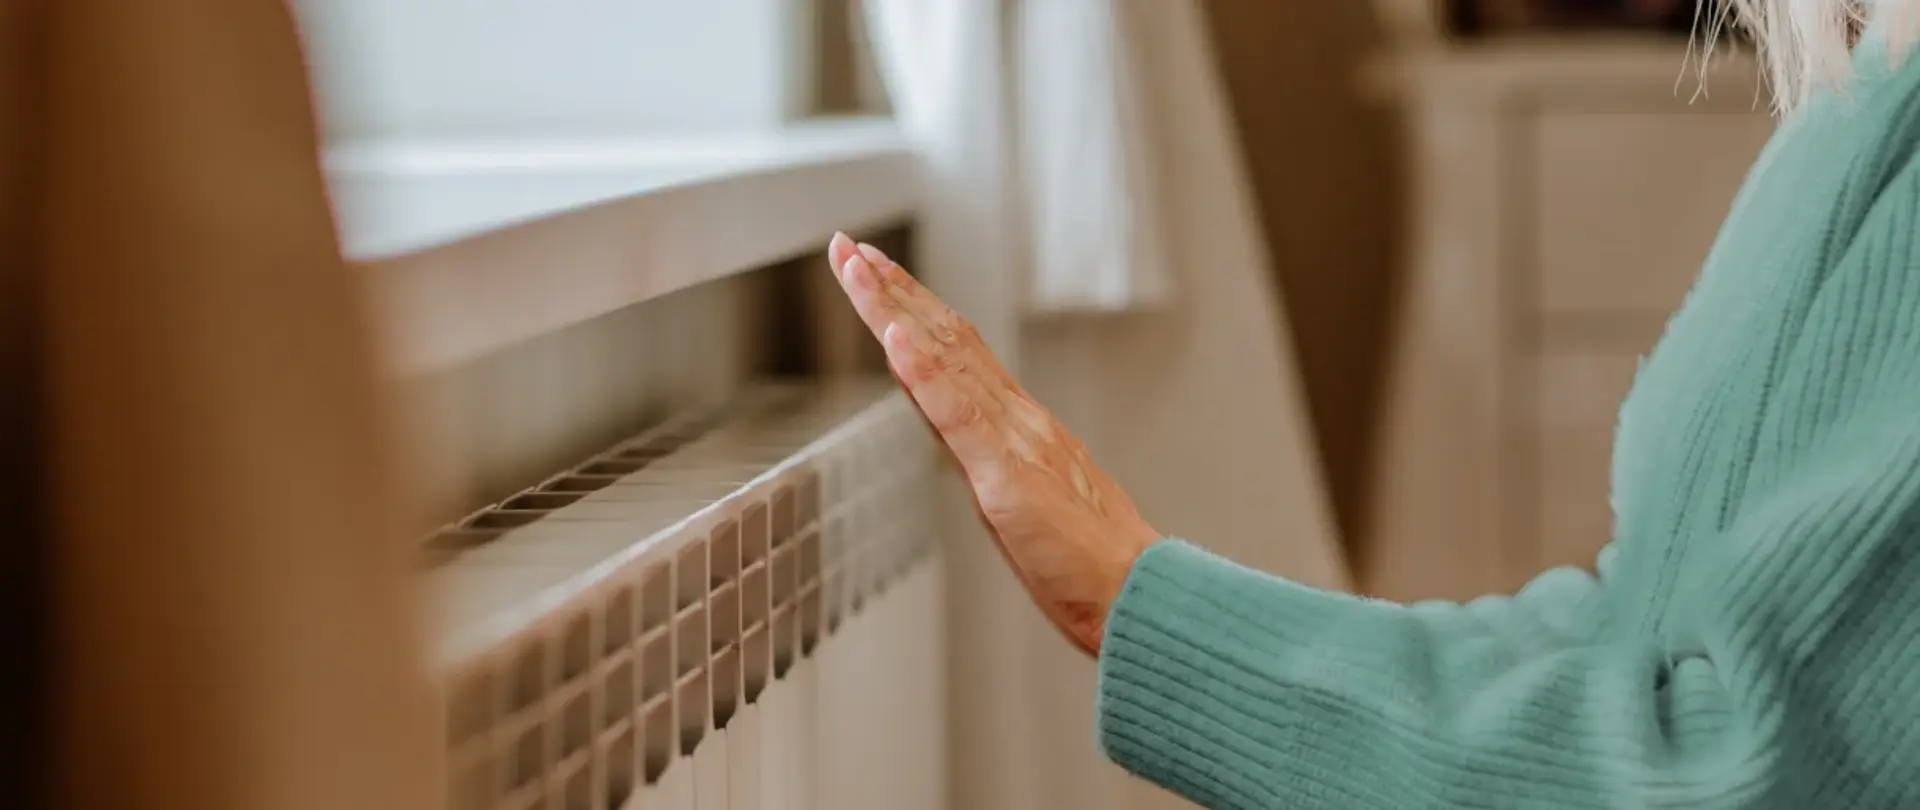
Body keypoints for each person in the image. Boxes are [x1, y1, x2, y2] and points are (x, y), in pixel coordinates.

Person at [822, 7, 1920, 807]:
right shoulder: (1871, 85)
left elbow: (1733, 769)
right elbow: (1637, 629)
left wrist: (1132, 601)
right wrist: (1151, 598)